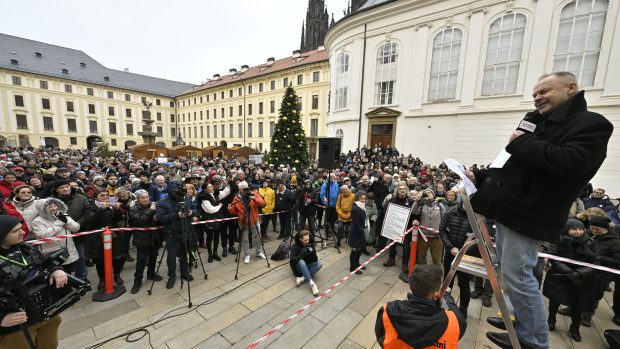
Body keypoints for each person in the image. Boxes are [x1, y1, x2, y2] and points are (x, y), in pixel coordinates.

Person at [470, 72, 613, 349]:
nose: (537, 98)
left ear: (571, 88)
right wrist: (482, 178)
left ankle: (532, 339)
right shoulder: (535, 122)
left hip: (528, 213)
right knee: (509, 270)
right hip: (510, 208)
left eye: (545, 91)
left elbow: (573, 162)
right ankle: (519, 320)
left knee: (519, 275)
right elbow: (513, 165)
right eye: (535, 94)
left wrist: (521, 142)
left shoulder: (592, 124)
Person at [0, 216, 68, 349]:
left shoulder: (25, 247)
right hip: (16, 325)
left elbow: (43, 262)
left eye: (21, 229)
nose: (23, 232)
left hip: (46, 313)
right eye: (15, 231)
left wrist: (56, 269)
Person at [375, 264, 466, 348]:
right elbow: (454, 310)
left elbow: (380, 337)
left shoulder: (388, 310)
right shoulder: (455, 321)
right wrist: (445, 294)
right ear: (435, 294)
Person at [542, 218, 599, 342]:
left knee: (577, 306)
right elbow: (554, 258)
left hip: (580, 280)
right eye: (574, 229)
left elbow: (595, 262)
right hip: (560, 277)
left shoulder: (590, 242)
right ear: (566, 230)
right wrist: (568, 272)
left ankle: (575, 328)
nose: (578, 232)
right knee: (554, 301)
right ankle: (551, 319)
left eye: (581, 229)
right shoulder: (558, 240)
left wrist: (579, 273)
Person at [156, 181, 197, 289]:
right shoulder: (162, 202)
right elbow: (160, 218)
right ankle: (172, 276)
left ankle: (185, 272)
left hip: (185, 230)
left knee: (184, 253)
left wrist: (192, 212)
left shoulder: (186, 199)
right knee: (172, 256)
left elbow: (195, 208)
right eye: (175, 191)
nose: (177, 193)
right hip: (171, 233)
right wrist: (176, 215)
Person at [439, 201, 474, 316]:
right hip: (451, 252)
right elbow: (442, 230)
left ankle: (463, 308)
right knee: (447, 280)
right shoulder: (450, 213)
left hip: (466, 255)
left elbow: (479, 238)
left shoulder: (476, 217)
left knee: (464, 283)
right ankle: (443, 303)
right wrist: (450, 247)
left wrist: (464, 251)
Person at [30, 198, 80, 272]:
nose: (53, 208)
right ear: (42, 209)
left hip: (69, 252)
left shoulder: (62, 215)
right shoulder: (37, 221)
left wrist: (67, 222)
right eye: (49, 207)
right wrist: (59, 223)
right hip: (53, 255)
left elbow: (76, 228)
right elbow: (43, 236)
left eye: (55, 206)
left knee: (69, 276)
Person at [587, 216, 620, 326]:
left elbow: (618, 261)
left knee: (594, 294)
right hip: (585, 269)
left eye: (597, 229)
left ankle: (587, 315)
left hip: (601, 274)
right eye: (592, 228)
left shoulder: (614, 242)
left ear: (605, 228)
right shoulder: (589, 234)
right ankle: (572, 308)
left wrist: (598, 257)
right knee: (578, 290)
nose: (595, 231)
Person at [128, 189, 163, 294]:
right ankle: (137, 281)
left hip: (154, 236)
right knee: (141, 261)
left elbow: (159, 219)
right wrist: (151, 211)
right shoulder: (133, 209)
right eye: (142, 198)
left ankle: (151, 274)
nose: (145, 199)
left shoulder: (153, 206)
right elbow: (140, 221)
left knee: (153, 257)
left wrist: (157, 218)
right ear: (138, 199)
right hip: (142, 238)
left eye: (147, 197)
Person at [227, 181, 266, 264]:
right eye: (243, 189)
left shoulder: (253, 194)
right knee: (244, 239)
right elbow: (233, 211)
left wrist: (254, 199)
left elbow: (263, 204)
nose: (245, 190)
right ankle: (247, 254)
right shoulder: (236, 198)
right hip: (242, 222)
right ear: (239, 189)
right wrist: (230, 208)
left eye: (246, 188)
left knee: (258, 237)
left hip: (254, 220)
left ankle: (259, 252)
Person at [290, 230, 322, 296]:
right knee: (301, 261)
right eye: (305, 240)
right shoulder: (295, 246)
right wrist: (301, 254)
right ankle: (312, 283)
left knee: (319, 264)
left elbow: (315, 260)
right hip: (298, 267)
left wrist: (313, 253)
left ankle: (302, 278)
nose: (307, 241)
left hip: (307, 265)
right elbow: (292, 260)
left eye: (308, 239)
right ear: (300, 239)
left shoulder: (310, 244)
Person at [349, 192, 368, 275]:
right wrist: (362, 232)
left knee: (359, 250)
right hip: (356, 233)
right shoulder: (355, 208)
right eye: (362, 199)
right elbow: (356, 223)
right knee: (355, 251)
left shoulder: (361, 206)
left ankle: (357, 264)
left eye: (364, 198)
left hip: (360, 231)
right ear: (357, 199)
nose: (363, 200)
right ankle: (352, 267)